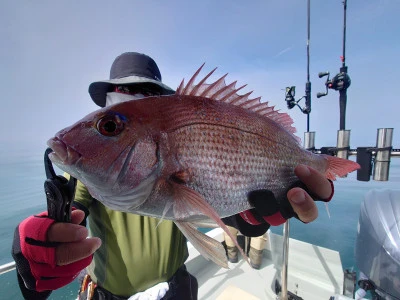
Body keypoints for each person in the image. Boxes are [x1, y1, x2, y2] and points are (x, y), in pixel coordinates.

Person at [12, 52, 334, 300]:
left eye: (147, 93)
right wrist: (38, 250)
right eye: (112, 117)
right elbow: (69, 222)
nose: (134, 98)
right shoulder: (91, 177)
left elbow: (226, 202)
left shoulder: (173, 142)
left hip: (178, 290)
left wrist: (251, 218)